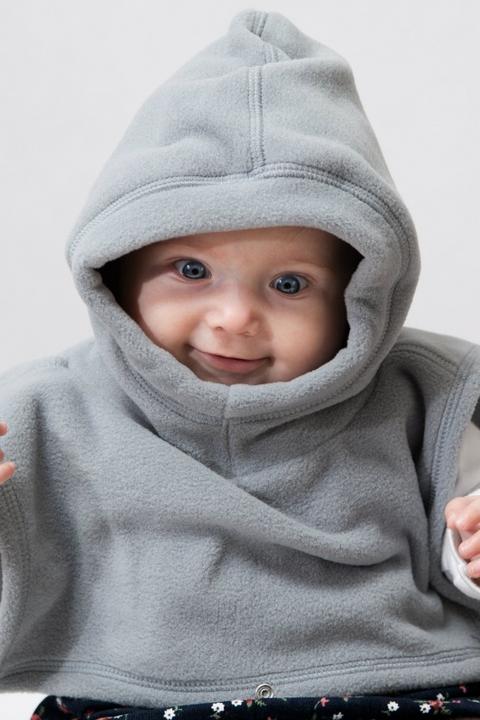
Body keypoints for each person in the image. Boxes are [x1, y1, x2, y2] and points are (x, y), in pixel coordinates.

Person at [1, 8, 480, 720]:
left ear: (360, 296)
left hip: (400, 690)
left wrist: (472, 551)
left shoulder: (429, 394)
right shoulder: (44, 411)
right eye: (191, 270)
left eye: (289, 283)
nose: (233, 317)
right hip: (133, 706)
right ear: (119, 268)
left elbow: (464, 538)